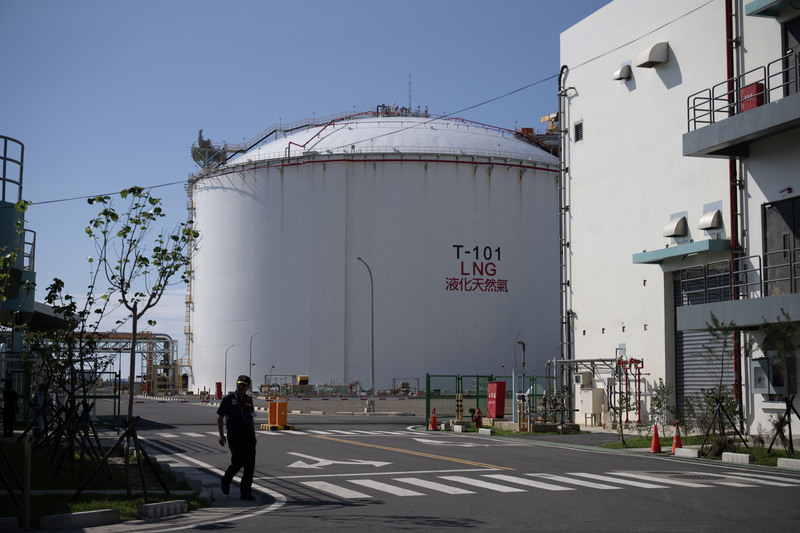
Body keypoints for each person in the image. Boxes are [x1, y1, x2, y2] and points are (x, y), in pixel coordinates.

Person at [217, 374, 257, 500]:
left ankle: (245, 493)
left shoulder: (249, 400)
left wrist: (254, 434)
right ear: (236, 385)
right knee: (238, 462)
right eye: (239, 384)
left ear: (247, 387)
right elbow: (220, 416)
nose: (241, 387)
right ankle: (226, 479)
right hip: (234, 435)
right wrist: (221, 435)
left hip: (248, 435)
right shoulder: (228, 399)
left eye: (244, 385)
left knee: (250, 465)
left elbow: (251, 417)